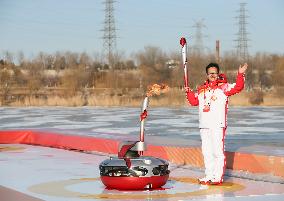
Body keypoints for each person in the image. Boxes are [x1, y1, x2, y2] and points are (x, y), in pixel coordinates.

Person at [185, 62, 248, 185]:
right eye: (210, 73)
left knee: (217, 152)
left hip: (217, 124)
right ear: (207, 74)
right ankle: (209, 175)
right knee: (207, 152)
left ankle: (217, 177)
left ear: (218, 73)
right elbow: (193, 101)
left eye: (215, 73)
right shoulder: (202, 89)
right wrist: (188, 92)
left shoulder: (224, 87)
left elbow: (239, 87)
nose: (212, 75)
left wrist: (240, 74)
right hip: (204, 124)